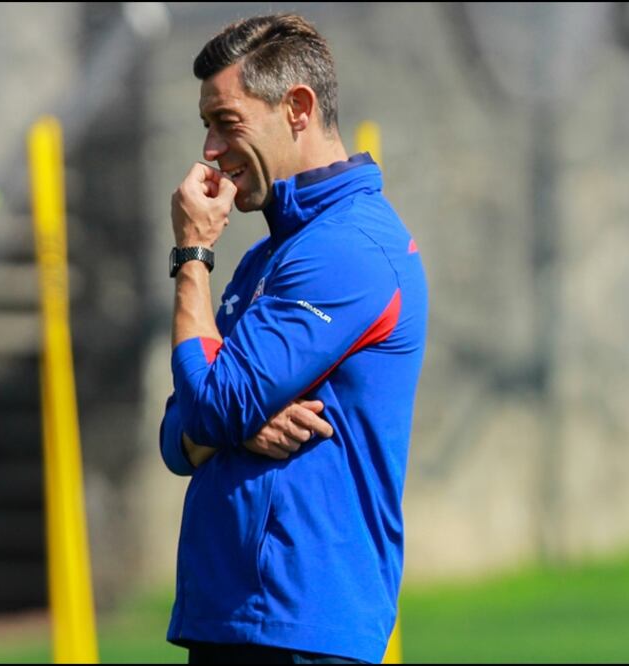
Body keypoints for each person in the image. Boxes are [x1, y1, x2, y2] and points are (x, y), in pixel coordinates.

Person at [159, 13, 428, 665]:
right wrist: (228, 423)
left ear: (297, 108)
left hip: (300, 624)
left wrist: (191, 253)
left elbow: (212, 405)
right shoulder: (266, 259)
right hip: (230, 616)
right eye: (206, 127)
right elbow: (176, 433)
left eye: (226, 122)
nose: (210, 151)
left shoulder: (348, 248)